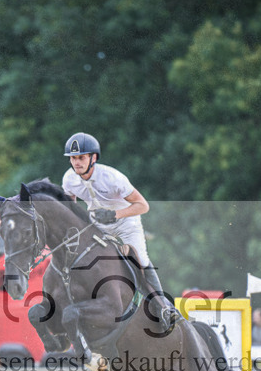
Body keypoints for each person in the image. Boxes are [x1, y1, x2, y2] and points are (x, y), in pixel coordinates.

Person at [61, 132, 182, 332]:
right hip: (97, 223)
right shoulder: (68, 179)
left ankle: (164, 307)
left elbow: (143, 205)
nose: (76, 163)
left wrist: (116, 214)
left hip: (126, 222)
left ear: (93, 158)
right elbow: (71, 208)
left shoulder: (113, 178)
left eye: (81, 157)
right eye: (73, 158)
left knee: (140, 260)